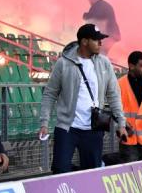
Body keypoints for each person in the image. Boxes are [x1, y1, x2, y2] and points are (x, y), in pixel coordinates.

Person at [39, 24, 127, 174]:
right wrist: (44, 122)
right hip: (67, 128)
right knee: (60, 170)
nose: (101, 43)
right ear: (84, 42)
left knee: (91, 173)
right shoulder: (63, 63)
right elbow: (50, 94)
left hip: (93, 129)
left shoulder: (104, 63)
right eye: (96, 40)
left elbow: (113, 95)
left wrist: (121, 123)